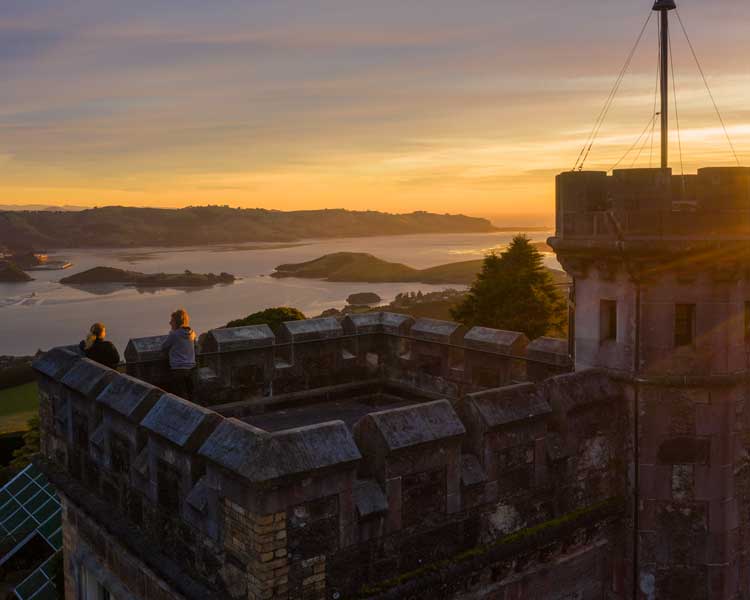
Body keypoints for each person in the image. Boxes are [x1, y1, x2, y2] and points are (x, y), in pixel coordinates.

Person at [161, 308, 197, 399]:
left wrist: (171, 332)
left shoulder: (174, 334)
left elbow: (163, 346)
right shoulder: (192, 333)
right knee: (191, 395)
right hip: (191, 369)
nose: (170, 323)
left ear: (176, 322)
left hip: (178, 369)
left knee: (181, 398)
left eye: (172, 321)